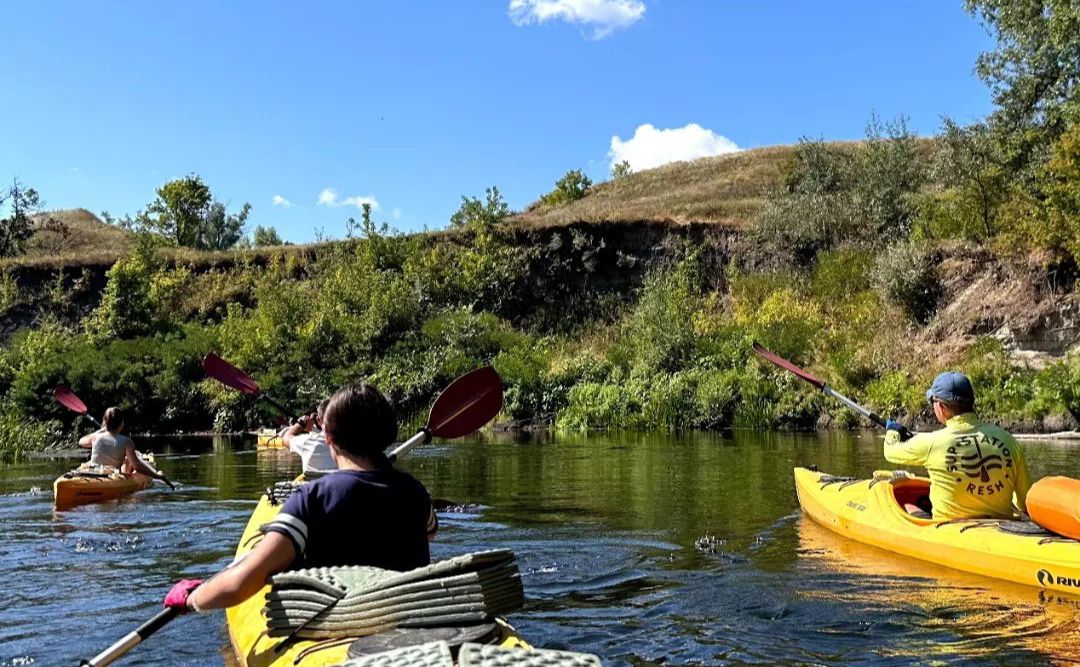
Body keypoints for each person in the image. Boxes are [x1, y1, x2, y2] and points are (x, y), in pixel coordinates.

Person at [163, 383, 439, 613]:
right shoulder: (415, 492)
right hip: (408, 623)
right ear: (387, 435)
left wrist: (193, 598)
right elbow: (430, 532)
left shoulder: (312, 498)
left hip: (335, 628)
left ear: (329, 437)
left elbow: (240, 584)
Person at [884, 371, 1031, 520]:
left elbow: (891, 452)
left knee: (907, 503)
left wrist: (892, 431)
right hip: (1001, 527)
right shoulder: (1008, 440)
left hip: (949, 530)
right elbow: (1024, 502)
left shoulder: (932, 442)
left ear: (941, 407)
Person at [78, 407, 169, 483]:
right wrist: (157, 475)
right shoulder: (126, 441)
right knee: (127, 460)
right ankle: (127, 476)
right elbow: (137, 466)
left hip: (93, 473)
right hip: (111, 477)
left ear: (105, 423)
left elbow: (81, 442)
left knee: (126, 460)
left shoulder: (95, 437)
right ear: (121, 423)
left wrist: (101, 430)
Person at [282, 399, 337, 472]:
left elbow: (285, 438)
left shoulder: (307, 442)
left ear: (318, 420)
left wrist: (300, 424)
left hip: (314, 482)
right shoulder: (353, 442)